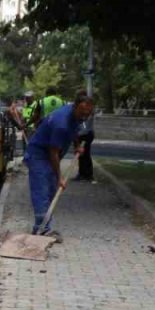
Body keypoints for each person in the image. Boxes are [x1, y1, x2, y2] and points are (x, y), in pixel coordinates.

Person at [23, 91, 96, 239]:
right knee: (42, 191)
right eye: (82, 112)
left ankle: (44, 226)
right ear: (75, 106)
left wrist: (77, 145)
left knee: (50, 191)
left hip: (48, 155)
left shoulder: (74, 114)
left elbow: (74, 129)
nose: (85, 116)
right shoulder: (61, 123)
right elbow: (53, 153)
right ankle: (41, 229)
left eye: (88, 113)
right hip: (39, 155)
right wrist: (60, 177)